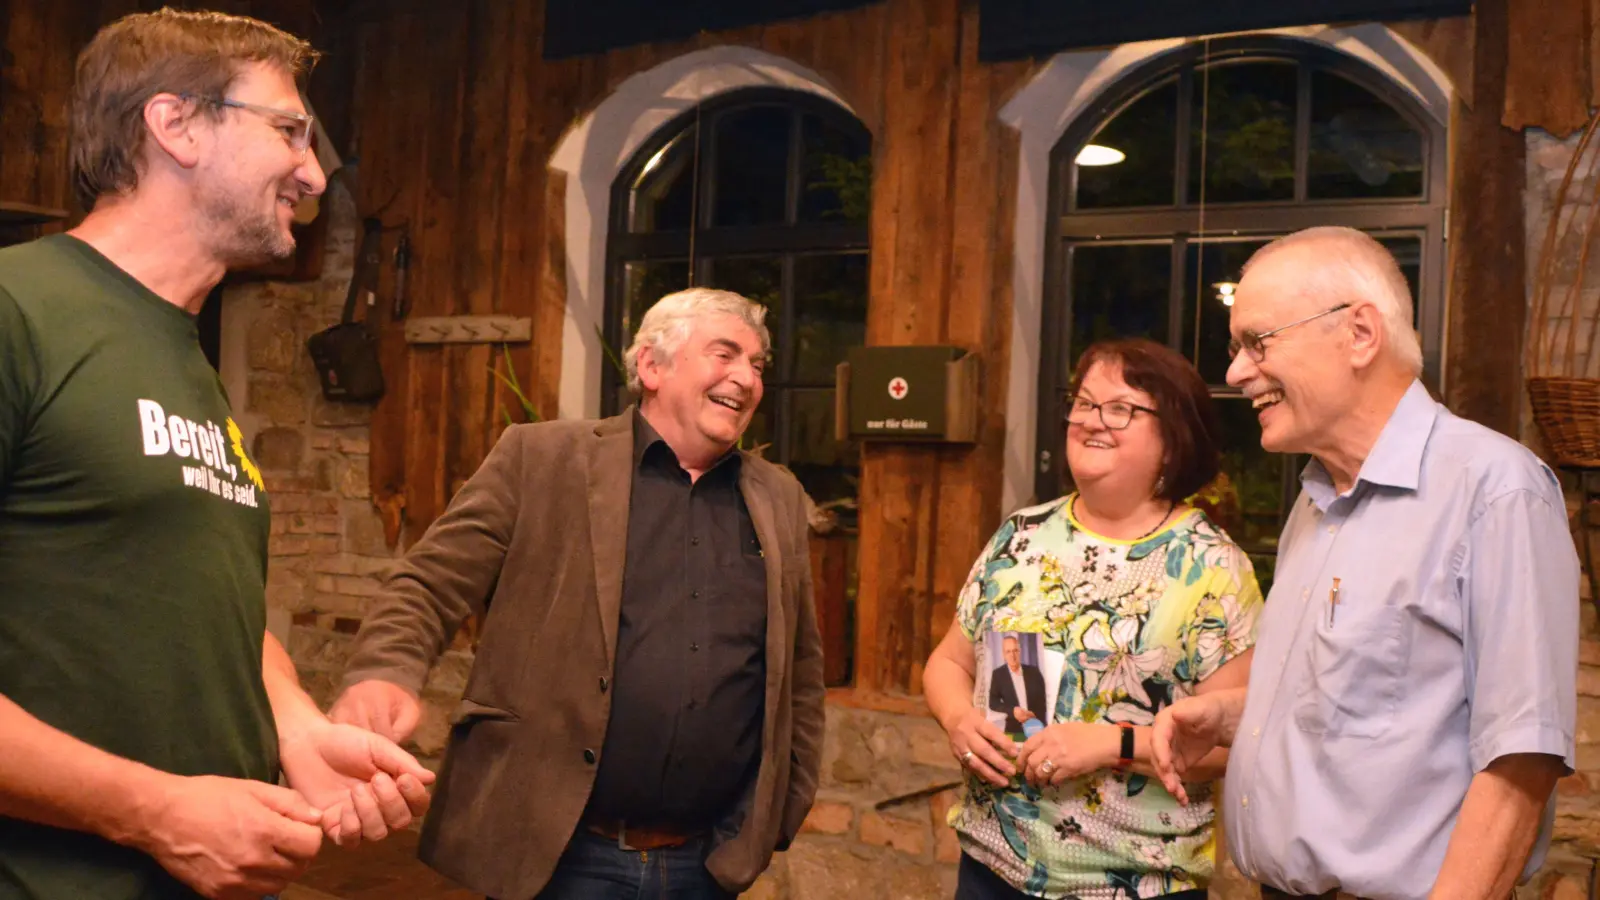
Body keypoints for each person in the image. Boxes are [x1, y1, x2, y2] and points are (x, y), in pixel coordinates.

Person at [0, 8, 435, 900]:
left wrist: (297, 728)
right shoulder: (18, 313)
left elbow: (201, 596)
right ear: (177, 125)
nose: (312, 175)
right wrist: (154, 810)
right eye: (289, 131)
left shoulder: (183, 359)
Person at [328, 287, 825, 900]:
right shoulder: (541, 460)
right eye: (725, 354)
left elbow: (799, 667)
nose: (746, 378)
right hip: (559, 854)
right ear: (651, 366)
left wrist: (785, 801)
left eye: (757, 364)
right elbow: (427, 585)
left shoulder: (777, 496)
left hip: (707, 863)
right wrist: (384, 672)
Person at [1149, 227, 1579, 900]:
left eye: (1257, 343)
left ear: (1359, 334)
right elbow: (1375, 703)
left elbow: (1522, 758)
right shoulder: (1317, 500)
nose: (1234, 373)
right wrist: (1233, 717)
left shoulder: (1495, 490)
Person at [924, 337, 1263, 900]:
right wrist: (960, 720)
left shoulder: (1212, 568)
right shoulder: (1022, 535)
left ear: (1173, 437)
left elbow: (1231, 744)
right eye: (1083, 403)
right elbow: (947, 662)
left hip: (1134, 885)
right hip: (993, 869)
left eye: (1120, 408)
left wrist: (1109, 745)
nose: (1091, 421)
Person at [989, 634, 1049, 738]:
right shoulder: (998, 674)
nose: (1012, 655)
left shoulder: (1034, 672)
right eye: (1008, 652)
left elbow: (1044, 701)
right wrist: (1012, 710)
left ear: (1020, 651)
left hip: (1036, 728)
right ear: (1003, 654)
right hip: (1013, 730)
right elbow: (992, 702)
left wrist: (1035, 716)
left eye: (1015, 650)